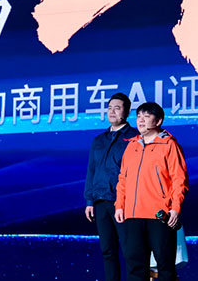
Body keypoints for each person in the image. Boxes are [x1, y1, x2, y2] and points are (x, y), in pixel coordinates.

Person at [114, 102, 188, 281]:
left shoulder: (169, 145)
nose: (141, 120)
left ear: (158, 120)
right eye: (139, 116)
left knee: (165, 267)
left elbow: (179, 180)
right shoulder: (131, 146)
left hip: (160, 215)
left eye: (146, 116)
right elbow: (122, 179)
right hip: (132, 215)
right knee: (135, 267)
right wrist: (119, 205)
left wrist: (175, 208)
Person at [84, 92, 138, 281]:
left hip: (124, 203)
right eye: (109, 108)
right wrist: (89, 201)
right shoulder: (99, 140)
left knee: (131, 250)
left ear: (127, 112)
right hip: (100, 201)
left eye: (117, 108)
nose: (112, 111)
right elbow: (91, 170)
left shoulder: (135, 137)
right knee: (107, 251)